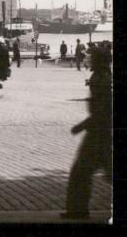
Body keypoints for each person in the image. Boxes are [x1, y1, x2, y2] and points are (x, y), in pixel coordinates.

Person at [62, 43, 112, 219]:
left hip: (98, 133)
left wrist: (82, 125)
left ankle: (77, 210)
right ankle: (77, 209)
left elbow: (104, 108)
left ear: (99, 61)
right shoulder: (102, 76)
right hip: (101, 131)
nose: (88, 59)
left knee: (81, 172)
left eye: (92, 57)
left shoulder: (101, 78)